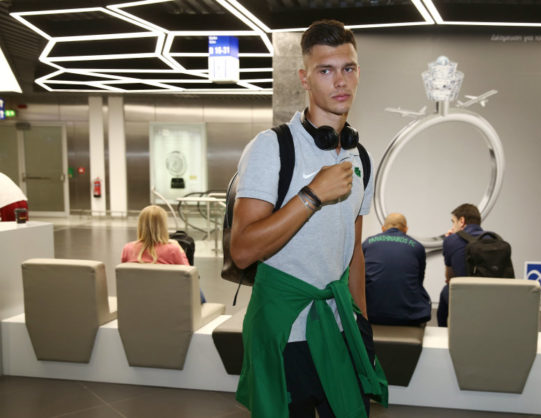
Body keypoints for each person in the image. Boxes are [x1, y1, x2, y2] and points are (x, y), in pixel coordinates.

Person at [229, 19, 387, 418]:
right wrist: (312, 195)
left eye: (348, 68)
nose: (340, 81)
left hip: (341, 326)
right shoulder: (272, 148)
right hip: (286, 332)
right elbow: (243, 249)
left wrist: (362, 325)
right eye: (325, 70)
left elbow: (353, 253)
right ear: (304, 78)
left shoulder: (360, 157)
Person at [121, 205, 206, 303]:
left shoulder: (128, 248)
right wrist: (180, 250)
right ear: (163, 226)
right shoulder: (172, 249)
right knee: (198, 291)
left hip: (137, 299)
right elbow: (189, 275)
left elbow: (125, 278)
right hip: (168, 300)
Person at [362, 213, 430, 325]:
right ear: (406, 229)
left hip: (371, 312)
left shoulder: (367, 244)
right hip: (410, 315)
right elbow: (419, 280)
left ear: (383, 228)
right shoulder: (417, 247)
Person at [437, 203, 484, 327]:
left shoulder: (452, 240)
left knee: (446, 290)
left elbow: (449, 278)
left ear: (462, 221)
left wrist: (448, 243)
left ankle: (444, 332)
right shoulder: (496, 239)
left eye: (453, 222)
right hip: (494, 298)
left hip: (467, 297)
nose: (453, 227)